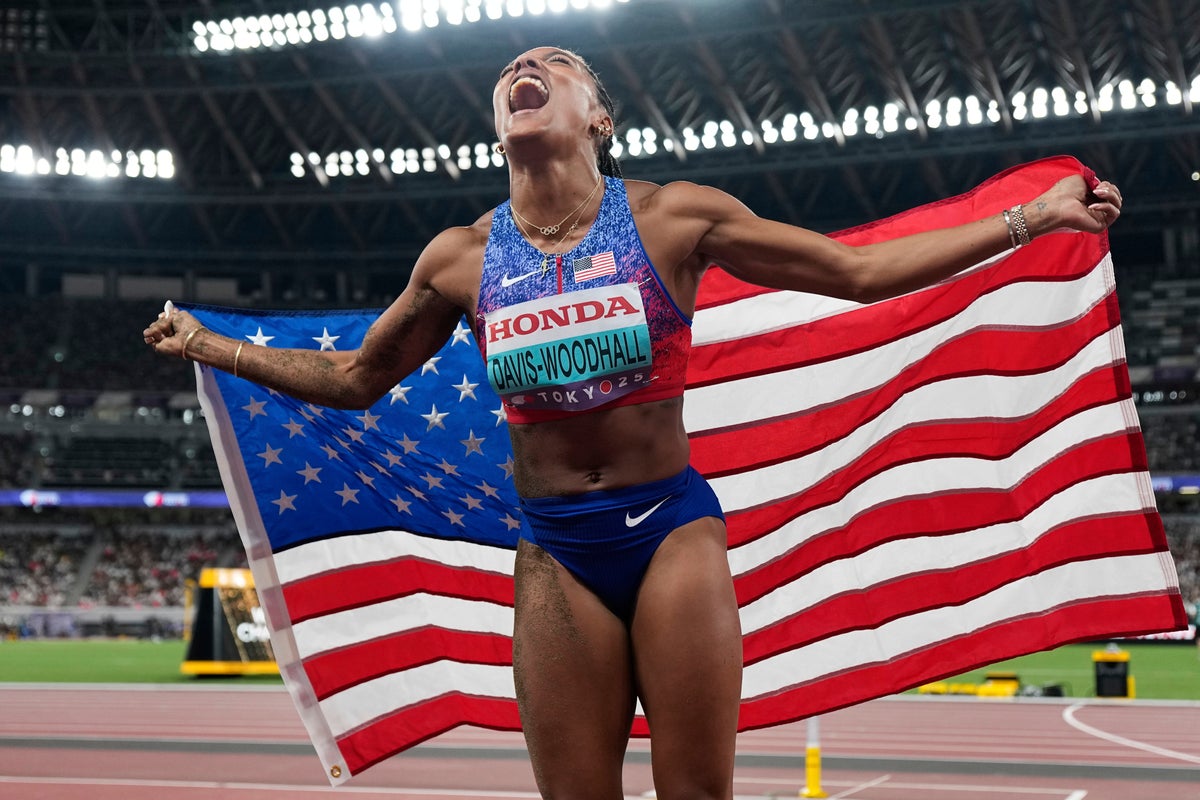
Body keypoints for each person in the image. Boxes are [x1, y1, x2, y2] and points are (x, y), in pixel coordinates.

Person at [143, 46, 1123, 800]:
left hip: (670, 531)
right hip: (557, 550)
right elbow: (360, 374)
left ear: (597, 117)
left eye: (555, 67)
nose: (527, 68)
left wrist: (1029, 221)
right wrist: (215, 348)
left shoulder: (672, 219)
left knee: (696, 791)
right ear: (499, 123)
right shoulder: (457, 258)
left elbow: (855, 273)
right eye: (513, 71)